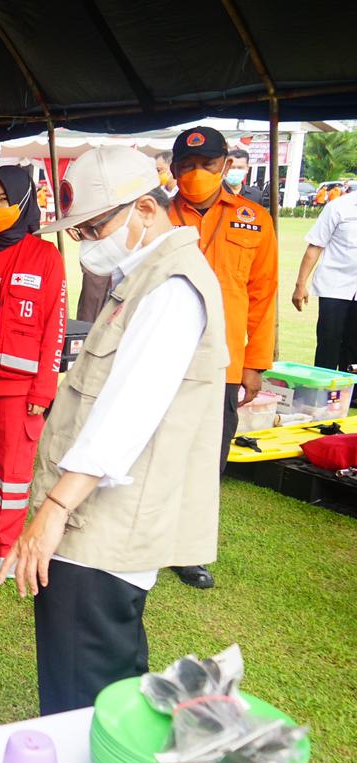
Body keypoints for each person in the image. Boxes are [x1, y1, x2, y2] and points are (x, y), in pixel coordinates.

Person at [0, 146, 229, 715]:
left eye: (95, 227)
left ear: (145, 209)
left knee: (87, 694)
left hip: (104, 528)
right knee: (83, 679)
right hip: (94, 519)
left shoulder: (172, 287)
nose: (85, 243)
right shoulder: (142, 276)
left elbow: (127, 415)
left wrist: (53, 511)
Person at [167, 126, 278, 590]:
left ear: (226, 166)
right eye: (188, 166)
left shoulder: (256, 219)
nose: (197, 174)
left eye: (208, 165)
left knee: (208, 456)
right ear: (173, 170)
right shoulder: (154, 216)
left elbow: (262, 295)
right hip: (165, 356)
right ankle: (145, 537)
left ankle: (187, 549)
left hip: (224, 363)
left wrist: (254, 364)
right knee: (155, 449)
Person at [0, 166, 66, 572]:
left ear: (23, 203)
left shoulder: (46, 257)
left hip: (20, 392)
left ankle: (7, 545)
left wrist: (43, 392)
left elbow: (55, 327)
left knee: (14, 476)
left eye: (3, 200)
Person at [292, 185, 357, 372]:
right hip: (335, 286)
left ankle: (350, 396)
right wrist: (300, 284)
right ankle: (322, 395)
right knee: (329, 343)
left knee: (354, 348)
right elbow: (315, 246)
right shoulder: (339, 207)